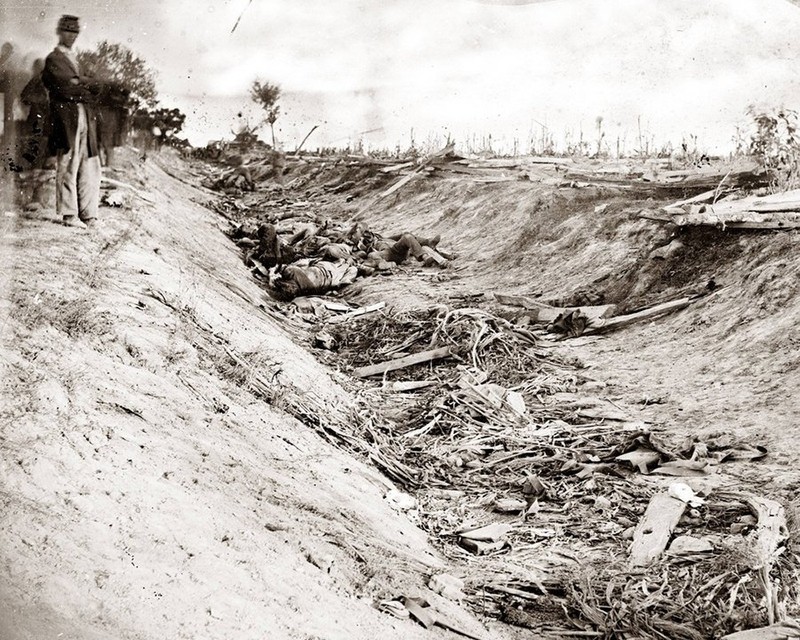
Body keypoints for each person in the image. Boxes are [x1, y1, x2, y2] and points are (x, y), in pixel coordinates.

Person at [41, 15, 101, 228]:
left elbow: (96, 86)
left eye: (75, 32)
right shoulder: (53, 59)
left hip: (84, 116)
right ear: (59, 32)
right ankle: (69, 214)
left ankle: (89, 214)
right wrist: (82, 86)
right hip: (67, 118)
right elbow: (64, 88)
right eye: (67, 31)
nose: (71, 36)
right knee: (68, 163)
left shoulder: (78, 60)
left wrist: (80, 83)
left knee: (90, 164)